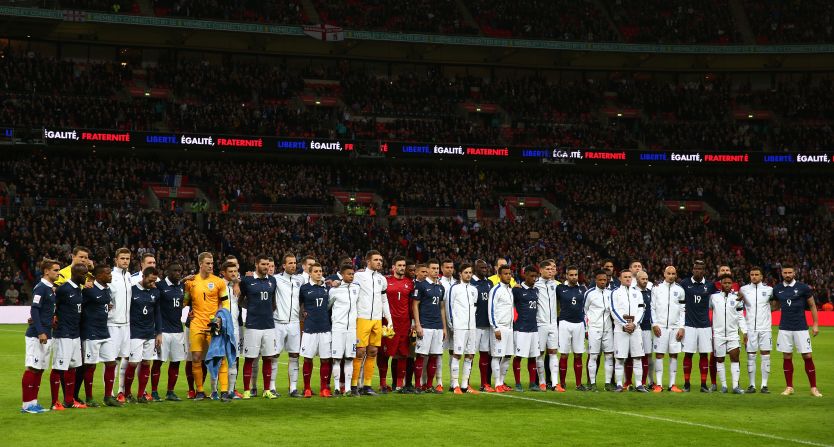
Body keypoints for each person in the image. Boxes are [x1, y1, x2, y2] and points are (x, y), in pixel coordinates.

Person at [184, 252, 230, 401]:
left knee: (220, 357)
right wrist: (188, 311)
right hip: (196, 324)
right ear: (200, 264)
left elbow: (226, 303)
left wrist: (221, 318)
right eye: (208, 263)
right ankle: (200, 391)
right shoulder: (190, 282)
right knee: (196, 358)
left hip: (213, 324)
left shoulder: (219, 282)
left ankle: (223, 391)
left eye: (212, 263)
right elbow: (184, 302)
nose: (211, 266)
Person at [773, 264, 822, 397]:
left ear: (794, 273)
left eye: (790, 272)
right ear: (781, 273)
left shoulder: (803, 288)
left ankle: (813, 388)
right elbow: (775, 306)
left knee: (807, 356)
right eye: (785, 273)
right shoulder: (777, 289)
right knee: (787, 356)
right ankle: (789, 387)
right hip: (784, 327)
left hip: (801, 327)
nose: (787, 275)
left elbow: (812, 306)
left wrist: (815, 324)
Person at [20, 259, 60, 414]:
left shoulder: (50, 289)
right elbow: (34, 310)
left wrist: (51, 323)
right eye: (55, 270)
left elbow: (44, 311)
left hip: (47, 333)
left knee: (40, 369)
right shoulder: (41, 288)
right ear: (46, 271)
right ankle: (26, 405)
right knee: (32, 367)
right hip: (37, 335)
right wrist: (40, 331)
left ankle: (33, 403)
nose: (58, 273)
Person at [352, 250, 392, 395]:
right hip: (362, 318)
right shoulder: (358, 276)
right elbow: (352, 294)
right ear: (368, 261)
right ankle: (354, 385)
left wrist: (389, 319)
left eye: (381, 260)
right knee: (360, 352)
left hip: (376, 319)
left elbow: (384, 300)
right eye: (376, 260)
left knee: (373, 351)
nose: (379, 262)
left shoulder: (382, 279)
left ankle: (367, 386)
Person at [239, 255, 278, 400]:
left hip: (268, 325)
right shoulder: (247, 280)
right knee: (250, 358)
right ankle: (247, 390)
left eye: (268, 264)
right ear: (256, 264)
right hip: (252, 325)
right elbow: (240, 300)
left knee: (268, 357)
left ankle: (267, 390)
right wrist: (253, 310)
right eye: (263, 264)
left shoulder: (272, 281)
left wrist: (266, 312)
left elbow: (273, 302)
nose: (266, 267)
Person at [50, 264, 88, 410]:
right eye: (84, 274)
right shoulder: (64, 289)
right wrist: (53, 316)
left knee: (72, 367)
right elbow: (53, 306)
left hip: (75, 334)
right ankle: (55, 403)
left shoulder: (78, 289)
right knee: (58, 368)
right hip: (63, 334)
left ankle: (69, 401)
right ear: (77, 274)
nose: (86, 277)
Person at [125, 267, 161, 403]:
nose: (153, 283)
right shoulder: (132, 290)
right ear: (144, 276)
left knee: (146, 362)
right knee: (133, 363)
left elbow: (157, 313)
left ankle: (141, 394)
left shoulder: (155, 292)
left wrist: (159, 333)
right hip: (135, 332)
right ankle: (127, 393)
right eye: (150, 280)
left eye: (155, 281)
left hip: (149, 333)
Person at [79, 265, 113, 407]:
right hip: (91, 332)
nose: (110, 275)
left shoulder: (107, 290)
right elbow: (80, 307)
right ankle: (89, 397)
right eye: (107, 273)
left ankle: (108, 397)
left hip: (104, 331)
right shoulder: (89, 290)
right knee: (90, 366)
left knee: (111, 363)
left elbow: (103, 305)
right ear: (99, 276)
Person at [271, 253, 304, 398]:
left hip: (294, 323)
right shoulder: (276, 279)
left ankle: (293, 388)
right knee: (274, 355)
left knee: (294, 356)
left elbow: (318, 280)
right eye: (290, 263)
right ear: (284, 265)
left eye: (294, 263)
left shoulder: (300, 280)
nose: (293, 265)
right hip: (278, 322)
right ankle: (271, 387)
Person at [412, 259, 447, 394]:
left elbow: (442, 308)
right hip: (425, 325)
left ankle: (429, 385)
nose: (436, 271)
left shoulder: (440, 287)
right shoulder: (420, 286)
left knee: (434, 356)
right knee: (421, 356)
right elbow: (415, 305)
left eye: (437, 268)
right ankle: (417, 385)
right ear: (428, 270)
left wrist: (444, 328)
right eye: (433, 268)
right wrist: (418, 325)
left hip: (437, 326)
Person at [154, 263, 187, 401]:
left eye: (180, 271)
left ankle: (170, 392)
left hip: (178, 330)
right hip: (164, 331)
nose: (178, 273)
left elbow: (185, 303)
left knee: (176, 361)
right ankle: (154, 392)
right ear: (167, 271)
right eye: (175, 270)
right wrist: (157, 331)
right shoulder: (160, 286)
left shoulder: (182, 286)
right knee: (158, 362)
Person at [680, 260, 714, 393]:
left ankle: (703, 385)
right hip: (689, 325)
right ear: (692, 270)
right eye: (696, 268)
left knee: (704, 355)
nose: (698, 271)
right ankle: (687, 384)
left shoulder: (710, 285)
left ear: (704, 270)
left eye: (700, 268)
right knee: (688, 354)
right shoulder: (684, 283)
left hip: (705, 326)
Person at [650, 266, 685, 392]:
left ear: (676, 275)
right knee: (659, 355)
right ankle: (659, 385)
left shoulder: (680, 290)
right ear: (664, 274)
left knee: (674, 355)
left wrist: (681, 327)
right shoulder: (656, 288)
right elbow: (652, 307)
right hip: (660, 327)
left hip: (675, 327)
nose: (671, 276)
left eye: (673, 274)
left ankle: (672, 385)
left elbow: (682, 310)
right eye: (669, 273)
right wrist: (654, 324)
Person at [611, 270, 647, 392]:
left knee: (637, 357)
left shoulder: (637, 293)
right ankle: (620, 385)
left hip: (635, 329)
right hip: (621, 330)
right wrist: (625, 324)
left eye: (629, 277)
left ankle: (638, 385)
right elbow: (613, 310)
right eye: (625, 277)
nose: (628, 279)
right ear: (620, 279)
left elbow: (641, 310)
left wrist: (635, 324)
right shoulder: (615, 293)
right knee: (620, 358)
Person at [739, 266, 774, 393]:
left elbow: (775, 304)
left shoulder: (769, 290)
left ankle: (764, 385)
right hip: (750, 328)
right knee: (751, 356)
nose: (754, 276)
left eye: (756, 274)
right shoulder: (743, 289)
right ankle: (752, 385)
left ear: (761, 276)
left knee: (765, 355)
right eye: (752, 274)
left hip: (765, 328)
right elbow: (738, 307)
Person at [710, 274, 746, 394]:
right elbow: (707, 309)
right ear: (720, 284)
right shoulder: (713, 297)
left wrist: (744, 332)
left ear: (732, 284)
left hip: (732, 334)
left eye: (729, 283)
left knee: (735, 358)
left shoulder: (737, 298)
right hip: (718, 334)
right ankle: (724, 386)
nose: (727, 285)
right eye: (724, 283)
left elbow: (741, 316)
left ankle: (735, 386)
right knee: (719, 359)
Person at [382, 256, 414, 393]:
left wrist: (412, 323)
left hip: (404, 323)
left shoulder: (410, 283)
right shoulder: (385, 281)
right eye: (399, 265)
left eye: (403, 265)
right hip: (388, 323)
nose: (402, 268)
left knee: (402, 354)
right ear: (393, 267)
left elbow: (412, 305)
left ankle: (399, 385)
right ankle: (383, 384)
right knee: (384, 353)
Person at [329, 264, 360, 397]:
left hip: (351, 329)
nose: (351, 276)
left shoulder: (356, 288)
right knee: (336, 359)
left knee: (349, 358)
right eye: (349, 274)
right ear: (342, 275)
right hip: (338, 328)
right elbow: (328, 306)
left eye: (353, 274)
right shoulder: (334, 290)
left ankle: (347, 389)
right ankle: (336, 388)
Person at [105, 248, 132, 404]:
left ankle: (121, 390)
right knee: (112, 360)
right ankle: (110, 391)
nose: (125, 261)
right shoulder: (111, 277)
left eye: (127, 259)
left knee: (126, 358)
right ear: (116, 259)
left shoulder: (128, 276)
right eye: (122, 258)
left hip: (127, 324)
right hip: (113, 323)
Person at [448, 263, 479, 394]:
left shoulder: (474, 289)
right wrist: (452, 325)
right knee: (457, 354)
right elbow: (450, 308)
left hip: (471, 327)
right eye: (465, 272)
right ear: (460, 274)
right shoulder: (454, 289)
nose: (468, 275)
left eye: (470, 272)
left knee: (470, 355)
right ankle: (455, 384)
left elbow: (475, 307)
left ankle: (465, 385)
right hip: (459, 327)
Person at [556, 266, 587, 392]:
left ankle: (578, 384)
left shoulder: (583, 289)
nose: (574, 277)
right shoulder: (560, 288)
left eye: (576, 275)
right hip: (564, 323)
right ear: (566, 275)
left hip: (579, 323)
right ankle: (562, 383)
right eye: (571, 275)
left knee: (578, 354)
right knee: (564, 354)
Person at [584, 269, 614, 392]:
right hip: (594, 329)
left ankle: (607, 383)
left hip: (608, 329)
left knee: (609, 356)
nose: (603, 282)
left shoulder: (611, 293)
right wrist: (587, 328)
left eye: (605, 280)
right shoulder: (589, 294)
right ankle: (592, 383)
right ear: (596, 280)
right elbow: (584, 311)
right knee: (593, 356)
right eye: (600, 280)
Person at [512, 266, 541, 392]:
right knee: (518, 356)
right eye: (532, 276)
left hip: (533, 328)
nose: (534, 279)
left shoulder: (536, 291)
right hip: (521, 328)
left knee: (533, 356)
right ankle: (518, 383)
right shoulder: (517, 290)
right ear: (526, 275)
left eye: (536, 276)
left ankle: (532, 383)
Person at [488, 265, 514, 393]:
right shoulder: (495, 290)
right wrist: (495, 328)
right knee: (497, 356)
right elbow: (491, 310)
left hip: (509, 328)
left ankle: (502, 382)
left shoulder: (510, 290)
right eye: (505, 274)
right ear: (499, 275)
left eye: (509, 273)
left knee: (508, 356)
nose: (508, 276)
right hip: (500, 328)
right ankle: (497, 383)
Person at [534, 260, 559, 392]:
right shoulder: (536, 285)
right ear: (541, 270)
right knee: (540, 354)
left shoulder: (556, 285)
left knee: (554, 352)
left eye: (552, 269)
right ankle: (542, 382)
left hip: (553, 324)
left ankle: (555, 383)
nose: (551, 271)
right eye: (548, 269)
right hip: (541, 324)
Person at [220, 261, 242, 399]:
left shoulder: (238, 285)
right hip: (221, 328)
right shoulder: (218, 285)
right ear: (223, 272)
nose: (234, 274)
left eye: (235, 271)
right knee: (220, 359)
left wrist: (237, 283)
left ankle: (231, 390)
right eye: (230, 272)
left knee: (234, 359)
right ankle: (217, 390)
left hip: (234, 328)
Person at [472, 260, 495, 392]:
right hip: (474, 325)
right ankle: (466, 383)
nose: (485, 269)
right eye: (482, 267)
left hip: (487, 324)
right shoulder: (471, 283)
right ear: (476, 268)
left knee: (485, 354)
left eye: (486, 267)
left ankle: (484, 383)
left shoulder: (489, 283)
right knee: (470, 355)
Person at [438, 259, 456, 392]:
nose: (449, 269)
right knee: (439, 352)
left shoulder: (457, 283)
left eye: (451, 267)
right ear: (442, 269)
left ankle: (453, 382)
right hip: (441, 322)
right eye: (447, 267)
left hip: (455, 323)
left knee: (453, 352)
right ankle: (439, 382)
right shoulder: (439, 283)